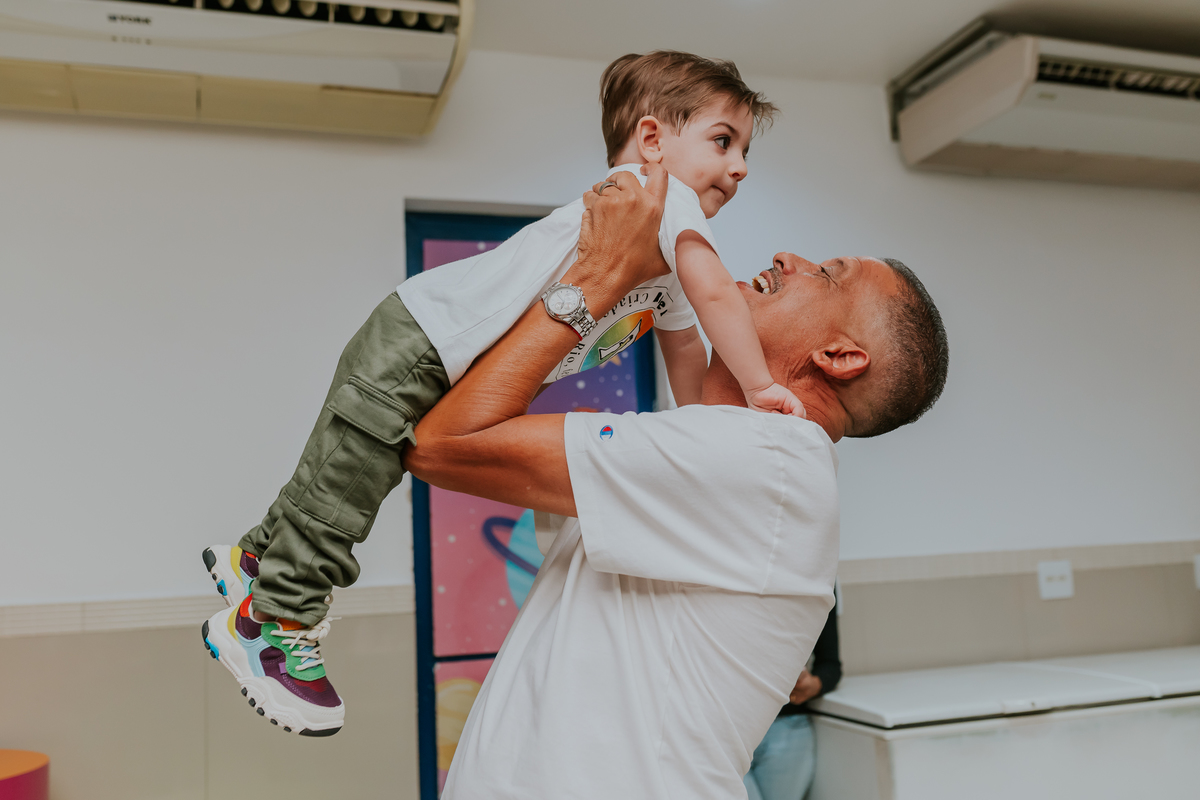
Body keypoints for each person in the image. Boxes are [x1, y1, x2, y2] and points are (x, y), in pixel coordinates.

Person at [198, 51, 795, 737]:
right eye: (724, 141)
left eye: (744, 150)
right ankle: (272, 623)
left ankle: (255, 558)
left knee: (344, 466)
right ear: (656, 141)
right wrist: (761, 387)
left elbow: (687, 348)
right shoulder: (656, 198)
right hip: (427, 338)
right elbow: (718, 293)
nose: (741, 166)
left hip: (432, 341)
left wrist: (707, 431)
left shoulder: (660, 255)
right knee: (350, 487)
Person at [405, 167, 949, 798]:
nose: (786, 258)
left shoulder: (766, 459)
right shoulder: (739, 457)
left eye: (826, 274)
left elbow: (442, 444)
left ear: (839, 356)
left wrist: (603, 274)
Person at [744, 606, 841, 800]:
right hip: (726, 728)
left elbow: (830, 664)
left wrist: (811, 685)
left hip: (788, 728)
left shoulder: (817, 579)